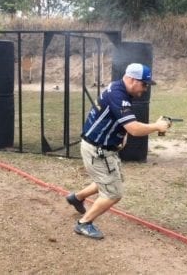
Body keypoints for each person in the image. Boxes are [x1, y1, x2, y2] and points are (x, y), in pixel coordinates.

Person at [66, 63, 171, 239]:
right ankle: (84, 223)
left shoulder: (119, 89)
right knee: (114, 193)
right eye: (144, 84)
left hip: (101, 148)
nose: (145, 89)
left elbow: (119, 121)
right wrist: (157, 126)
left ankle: (76, 198)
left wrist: (121, 135)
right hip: (97, 151)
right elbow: (134, 129)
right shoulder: (118, 95)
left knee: (113, 180)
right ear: (131, 79)